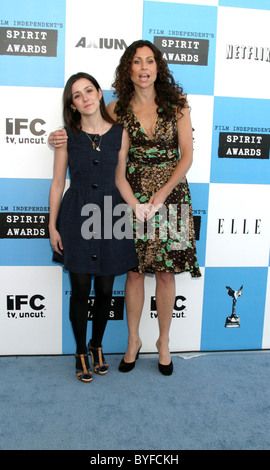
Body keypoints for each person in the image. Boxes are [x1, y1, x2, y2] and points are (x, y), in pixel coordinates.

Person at [49, 40, 201, 376]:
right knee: (134, 271)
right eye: (137, 62)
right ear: (127, 69)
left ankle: (163, 342)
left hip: (171, 195)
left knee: (165, 272)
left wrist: (161, 194)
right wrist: (55, 138)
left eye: (150, 61)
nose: (144, 68)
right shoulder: (115, 109)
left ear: (157, 67)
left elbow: (187, 155)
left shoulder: (178, 105)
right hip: (128, 196)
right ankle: (133, 341)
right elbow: (86, 132)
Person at [49, 72, 138, 383]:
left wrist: (136, 207)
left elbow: (120, 179)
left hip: (112, 216)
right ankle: (79, 351)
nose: (85, 97)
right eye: (77, 95)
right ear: (72, 105)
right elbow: (58, 182)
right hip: (77, 215)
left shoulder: (120, 133)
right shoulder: (65, 136)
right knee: (81, 290)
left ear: (100, 94)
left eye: (89, 90)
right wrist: (52, 227)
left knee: (105, 290)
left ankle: (97, 345)